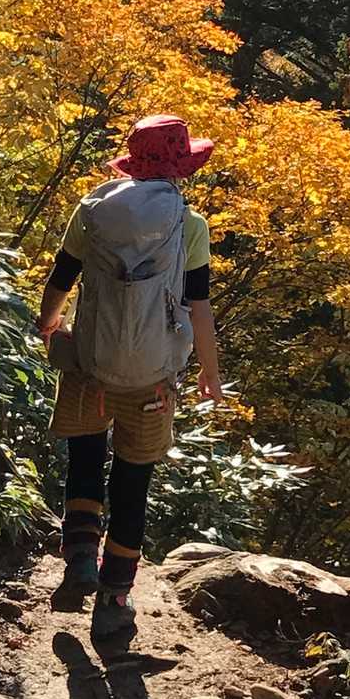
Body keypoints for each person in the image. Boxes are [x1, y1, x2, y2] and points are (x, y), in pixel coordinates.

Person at [36, 114, 223, 637]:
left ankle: (79, 558)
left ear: (132, 162)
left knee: (85, 459)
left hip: (89, 365)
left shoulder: (92, 209)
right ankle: (115, 599)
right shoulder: (189, 225)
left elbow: (62, 276)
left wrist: (48, 324)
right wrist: (209, 372)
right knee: (133, 482)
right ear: (181, 168)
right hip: (152, 378)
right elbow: (199, 305)